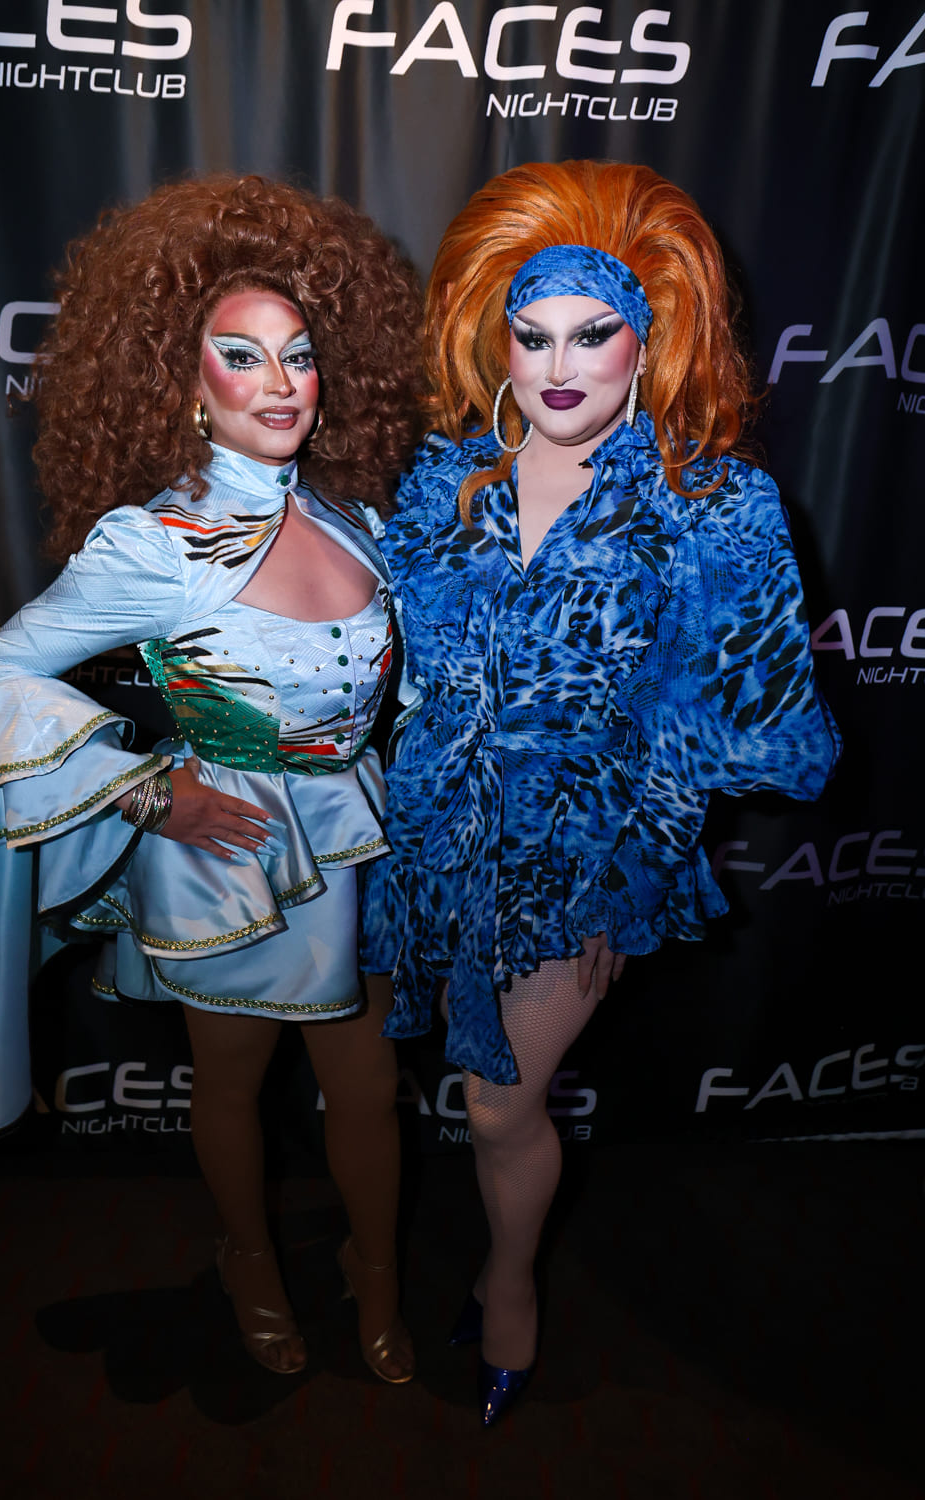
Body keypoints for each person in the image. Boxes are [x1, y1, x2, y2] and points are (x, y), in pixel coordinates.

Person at [360, 159, 841, 1423]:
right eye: (533, 336)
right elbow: (385, 662)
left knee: (497, 1104)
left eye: (592, 334)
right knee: (468, 1095)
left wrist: (632, 865)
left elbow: (737, 722)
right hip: (438, 838)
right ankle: (492, 1263)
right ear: (498, 340)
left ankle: (509, 1287)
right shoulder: (442, 483)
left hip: (581, 856)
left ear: (650, 337)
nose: (559, 366)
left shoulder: (712, 506)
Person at [0, 174, 422, 1383]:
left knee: (366, 1084)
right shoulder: (152, 544)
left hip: (354, 839)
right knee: (235, 1083)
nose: (279, 383)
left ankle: (375, 1275)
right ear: (186, 383)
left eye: (299, 356)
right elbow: (2, 670)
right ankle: (248, 1262)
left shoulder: (356, 522)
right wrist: (147, 792)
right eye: (240, 357)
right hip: (228, 855)